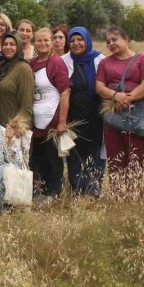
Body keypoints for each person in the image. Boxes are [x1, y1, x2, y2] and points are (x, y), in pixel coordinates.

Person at [95, 26, 144, 199]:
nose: (111, 44)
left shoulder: (142, 60)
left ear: (126, 39)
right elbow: (99, 87)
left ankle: (134, 196)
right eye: (108, 42)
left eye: (114, 39)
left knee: (135, 157)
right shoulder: (105, 63)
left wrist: (127, 98)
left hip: (137, 115)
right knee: (115, 158)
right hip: (113, 117)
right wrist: (115, 95)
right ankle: (117, 195)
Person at [61, 27, 106, 197]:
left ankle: (94, 190)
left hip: (95, 117)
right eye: (72, 40)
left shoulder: (100, 60)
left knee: (95, 154)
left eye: (80, 40)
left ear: (87, 40)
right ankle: (77, 190)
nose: (76, 43)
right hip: (73, 118)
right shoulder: (64, 60)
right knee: (75, 155)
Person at [30, 28, 71, 199]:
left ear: (52, 42)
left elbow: (65, 92)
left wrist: (62, 121)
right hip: (35, 122)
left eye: (46, 40)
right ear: (34, 43)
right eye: (39, 40)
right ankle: (41, 190)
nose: (43, 43)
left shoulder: (56, 62)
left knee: (52, 159)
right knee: (37, 159)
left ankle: (54, 193)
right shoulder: (32, 63)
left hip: (52, 121)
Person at [0, 32, 34, 154]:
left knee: (13, 171)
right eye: (5, 44)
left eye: (12, 44)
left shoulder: (23, 69)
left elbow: (26, 106)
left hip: (12, 131)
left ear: (19, 47)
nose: (8, 47)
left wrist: (14, 130)